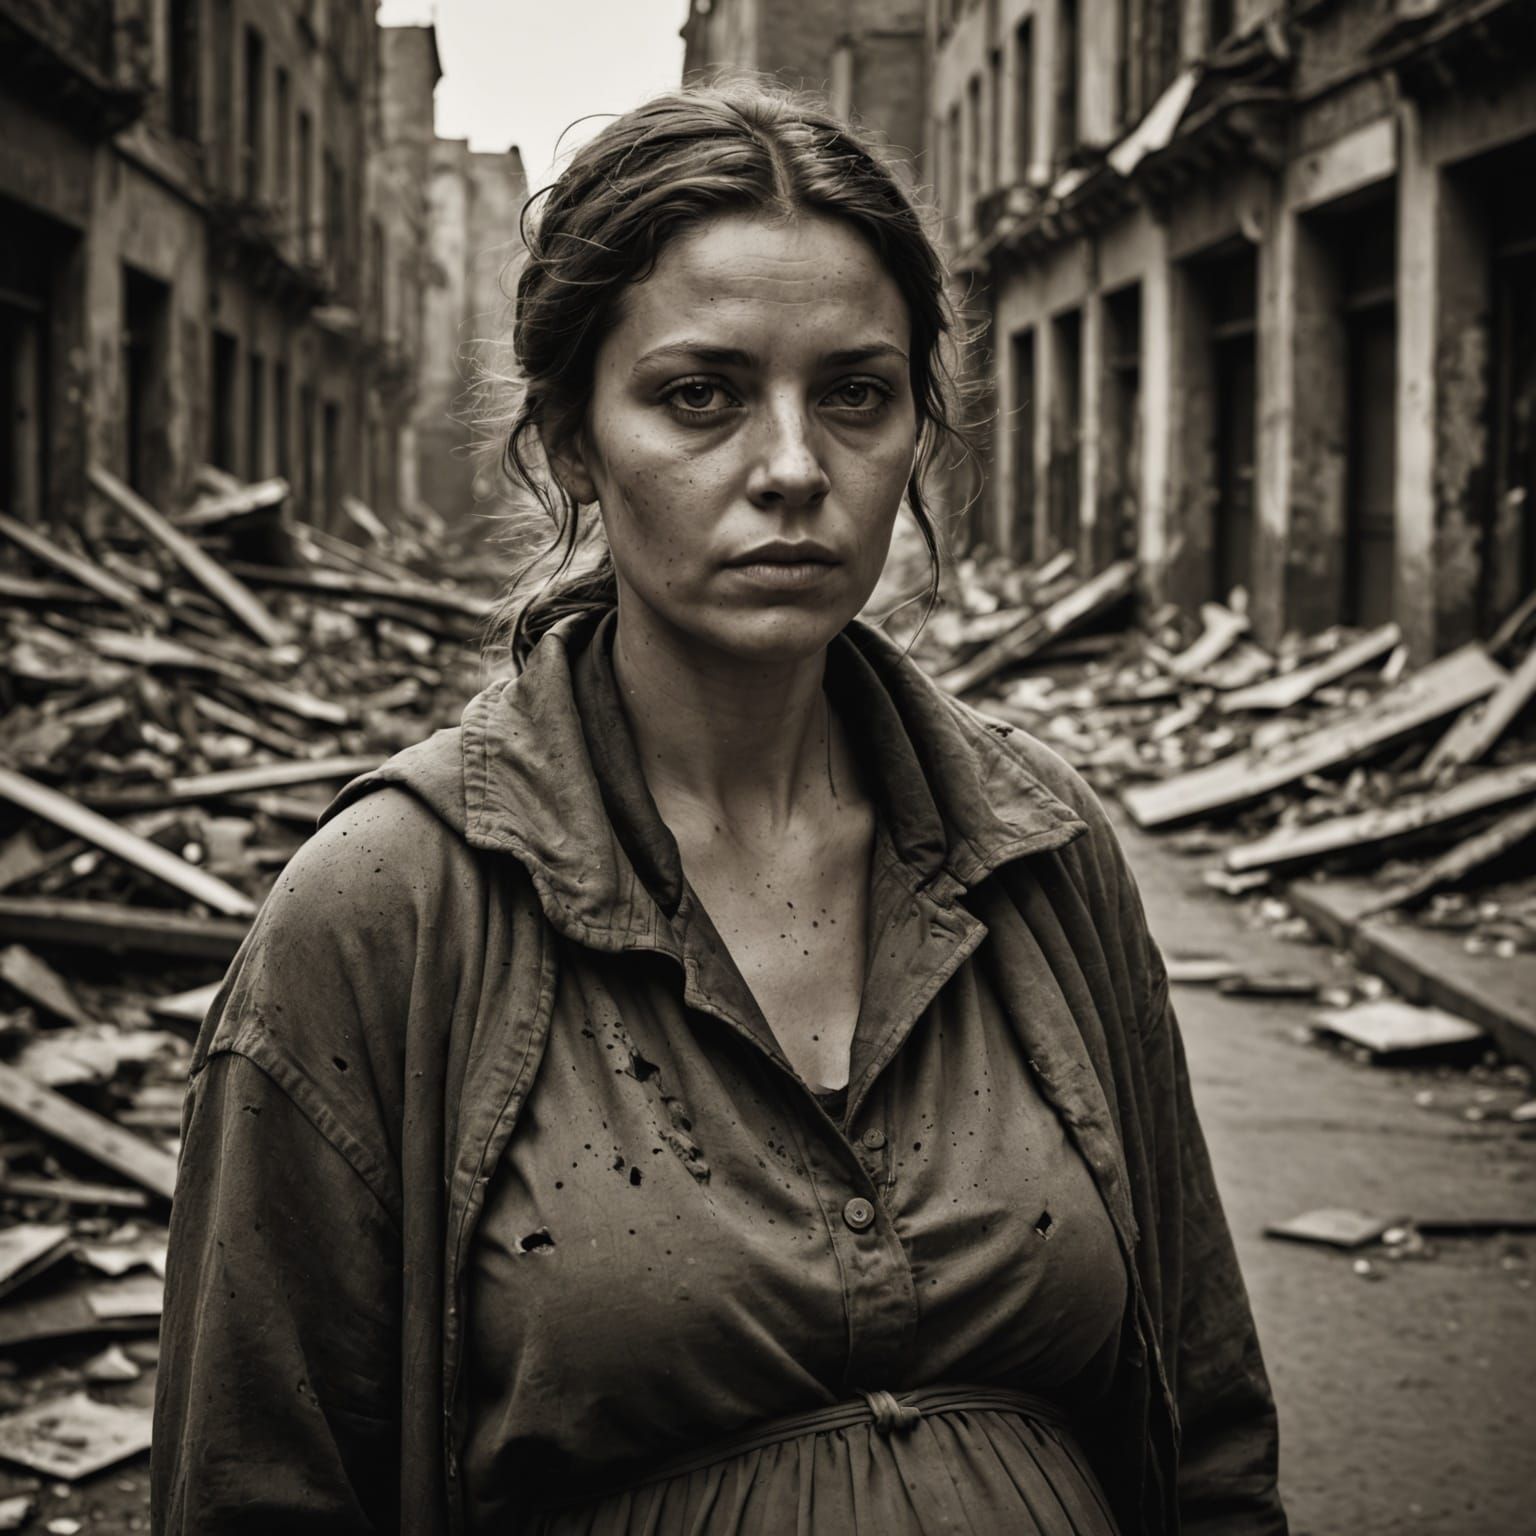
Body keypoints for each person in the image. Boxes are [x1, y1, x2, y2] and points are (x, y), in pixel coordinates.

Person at [152, 81, 1287, 1536]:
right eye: (702, 395)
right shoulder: (389, 913)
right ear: (572, 443)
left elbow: (1211, 1433)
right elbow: (258, 1488)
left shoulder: (1043, 853)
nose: (796, 469)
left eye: (858, 396)